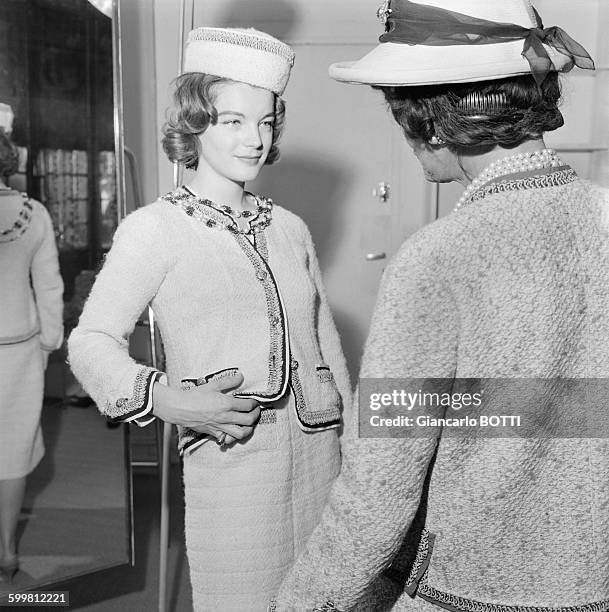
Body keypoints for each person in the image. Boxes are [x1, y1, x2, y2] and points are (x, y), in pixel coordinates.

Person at [272, 0, 609, 610]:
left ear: (428, 120)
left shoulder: (440, 254)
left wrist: (300, 603)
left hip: (475, 584)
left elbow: (380, 485)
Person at [68, 27, 350, 611]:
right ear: (194, 122)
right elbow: (90, 342)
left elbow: (326, 346)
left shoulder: (290, 228)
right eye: (232, 121)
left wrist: (358, 457)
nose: (254, 139)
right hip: (233, 463)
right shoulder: (155, 229)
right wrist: (165, 398)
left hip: (322, 459)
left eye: (266, 122)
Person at [0, 105, 64, 584]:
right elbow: (50, 288)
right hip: (18, 348)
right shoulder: (32, 213)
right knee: (12, 452)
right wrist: (49, 343)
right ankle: (6, 552)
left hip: (20, 347)